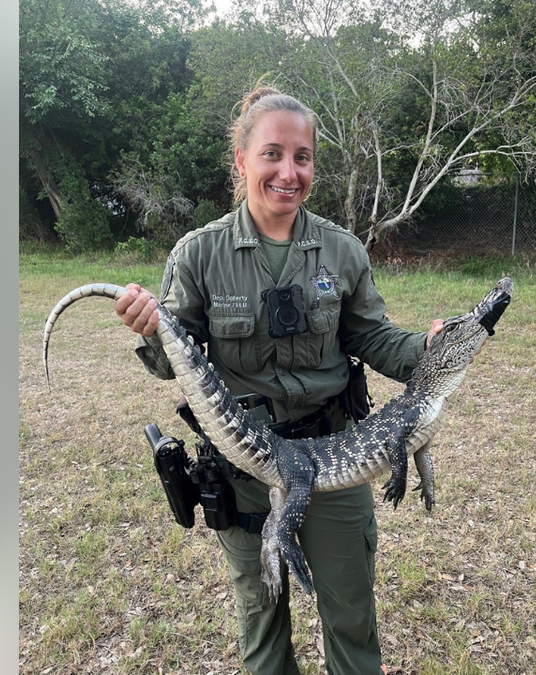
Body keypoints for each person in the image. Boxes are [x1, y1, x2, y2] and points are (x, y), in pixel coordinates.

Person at [113, 86, 444, 675]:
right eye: (272, 154)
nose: (289, 172)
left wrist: (428, 348)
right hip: (246, 467)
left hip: (336, 459)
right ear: (241, 162)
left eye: (303, 157)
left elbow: (372, 339)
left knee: (351, 620)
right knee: (263, 633)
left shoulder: (342, 251)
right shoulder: (200, 255)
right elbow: (174, 364)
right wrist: (148, 330)